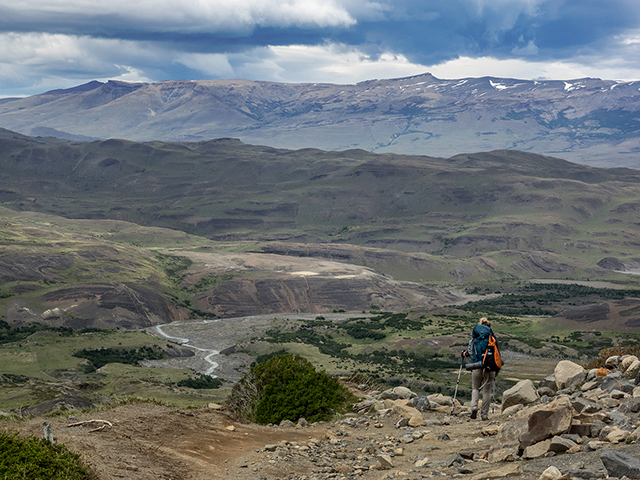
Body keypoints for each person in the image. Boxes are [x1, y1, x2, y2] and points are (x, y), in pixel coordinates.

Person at [462, 317, 496, 421]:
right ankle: (484, 415)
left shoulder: (474, 339)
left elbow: (470, 352)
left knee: (475, 388)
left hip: (476, 366)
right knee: (486, 391)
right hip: (490, 367)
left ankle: (474, 407)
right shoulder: (492, 339)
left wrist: (464, 354)